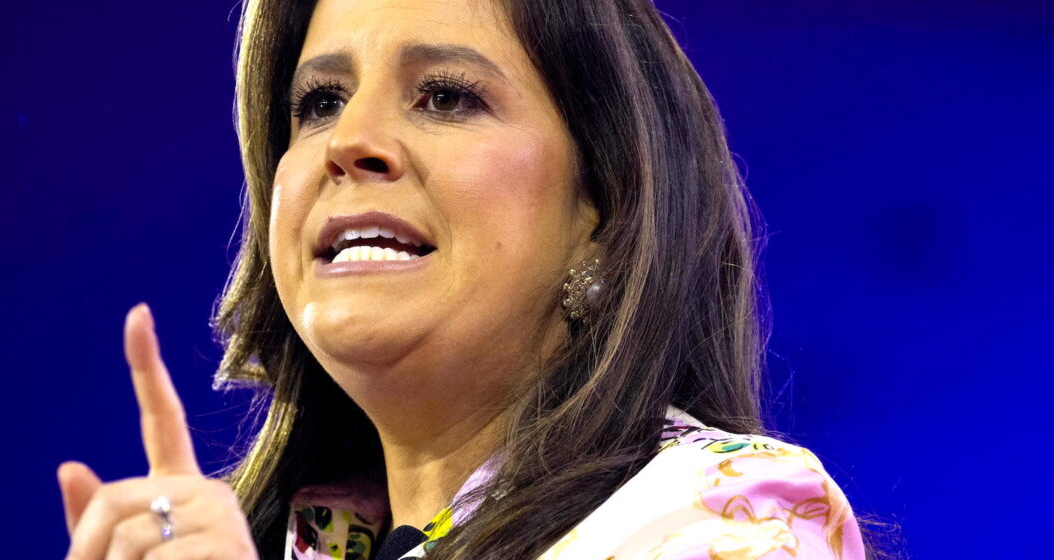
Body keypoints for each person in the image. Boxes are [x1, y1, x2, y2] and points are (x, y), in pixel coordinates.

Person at [56, 0, 870, 558]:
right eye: (318, 101)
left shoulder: (729, 516)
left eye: (444, 96)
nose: (350, 139)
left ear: (604, 219)